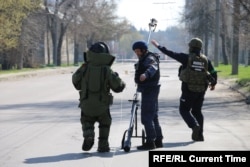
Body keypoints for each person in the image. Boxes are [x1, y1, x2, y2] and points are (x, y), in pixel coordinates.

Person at [151, 38, 217, 141]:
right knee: (197, 111)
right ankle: (199, 135)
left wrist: (158, 46)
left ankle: (194, 126)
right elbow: (213, 72)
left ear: (190, 47)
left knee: (184, 110)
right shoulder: (206, 60)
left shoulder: (186, 58)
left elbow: (171, 53)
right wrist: (213, 84)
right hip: (201, 90)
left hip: (188, 89)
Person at [72, 42, 126, 152]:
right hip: (102, 105)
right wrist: (119, 79)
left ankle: (89, 135)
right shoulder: (107, 69)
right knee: (105, 123)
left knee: (86, 121)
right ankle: (103, 145)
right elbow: (118, 87)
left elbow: (76, 82)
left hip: (86, 103)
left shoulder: (84, 67)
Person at [132, 41, 163, 150]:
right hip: (149, 89)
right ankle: (158, 140)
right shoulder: (143, 58)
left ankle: (150, 142)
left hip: (150, 89)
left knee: (146, 116)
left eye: (138, 51)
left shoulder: (150, 58)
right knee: (153, 115)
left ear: (143, 50)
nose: (136, 53)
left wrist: (145, 74)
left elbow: (153, 67)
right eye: (135, 51)